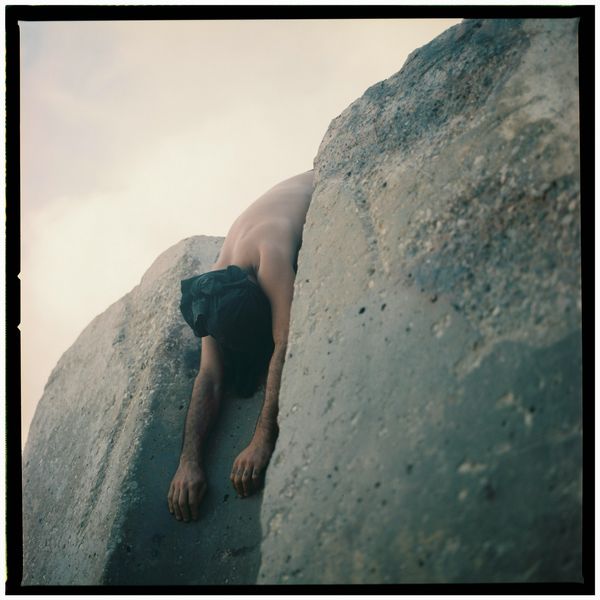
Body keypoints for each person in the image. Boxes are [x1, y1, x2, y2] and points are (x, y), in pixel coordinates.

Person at [167, 169, 314, 522]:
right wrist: (188, 463)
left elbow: (285, 341)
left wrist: (262, 439)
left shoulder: (269, 250)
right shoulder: (210, 291)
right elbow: (210, 376)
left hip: (315, 177)